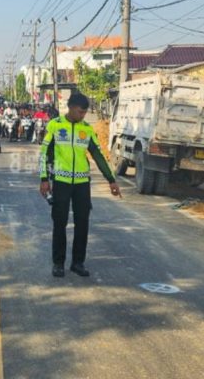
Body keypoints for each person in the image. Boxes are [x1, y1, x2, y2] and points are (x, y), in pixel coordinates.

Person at [39, 92, 120, 278]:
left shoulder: (87, 129)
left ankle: (78, 263)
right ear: (70, 108)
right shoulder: (55, 125)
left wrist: (111, 180)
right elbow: (44, 154)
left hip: (82, 184)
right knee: (59, 223)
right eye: (80, 112)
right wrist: (44, 179)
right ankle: (58, 263)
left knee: (82, 223)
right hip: (61, 182)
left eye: (84, 112)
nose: (82, 115)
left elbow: (98, 155)